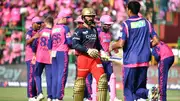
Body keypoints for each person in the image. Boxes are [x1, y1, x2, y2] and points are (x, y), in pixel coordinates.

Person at [109, 1, 159, 101]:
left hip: (131, 61)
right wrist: (145, 45)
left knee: (128, 90)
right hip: (144, 60)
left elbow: (121, 43)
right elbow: (156, 41)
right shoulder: (146, 22)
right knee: (139, 87)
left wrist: (111, 46)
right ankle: (148, 92)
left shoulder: (126, 24)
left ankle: (148, 93)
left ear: (129, 10)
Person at [72, 8, 108, 101]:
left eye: (92, 16)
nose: (91, 18)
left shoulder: (95, 29)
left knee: (102, 81)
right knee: (80, 85)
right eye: (89, 16)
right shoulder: (78, 30)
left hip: (95, 59)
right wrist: (87, 50)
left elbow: (98, 44)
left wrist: (103, 51)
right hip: (83, 59)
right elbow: (75, 44)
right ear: (83, 18)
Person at [50, 11, 72, 101]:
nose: (67, 20)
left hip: (54, 53)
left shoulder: (53, 28)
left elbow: (49, 43)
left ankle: (54, 96)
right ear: (62, 18)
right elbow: (70, 42)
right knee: (62, 75)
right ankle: (59, 97)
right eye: (66, 18)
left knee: (55, 75)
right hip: (62, 52)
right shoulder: (65, 28)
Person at [32, 16, 54, 101]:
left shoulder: (41, 31)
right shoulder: (53, 32)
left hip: (40, 57)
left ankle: (40, 93)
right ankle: (50, 96)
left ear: (46, 23)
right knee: (49, 77)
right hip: (49, 57)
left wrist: (34, 53)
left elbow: (34, 43)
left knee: (37, 75)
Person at [74, 15, 93, 101]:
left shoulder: (88, 31)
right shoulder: (79, 31)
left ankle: (88, 96)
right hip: (80, 58)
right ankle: (83, 96)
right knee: (81, 79)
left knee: (86, 78)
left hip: (86, 57)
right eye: (78, 23)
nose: (79, 25)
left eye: (80, 23)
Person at [25, 16, 42, 101]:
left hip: (38, 57)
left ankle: (35, 95)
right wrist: (34, 37)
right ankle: (30, 96)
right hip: (30, 57)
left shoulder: (39, 31)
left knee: (36, 77)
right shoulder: (30, 32)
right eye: (38, 23)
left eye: (40, 23)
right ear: (33, 23)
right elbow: (27, 42)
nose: (39, 25)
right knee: (31, 77)